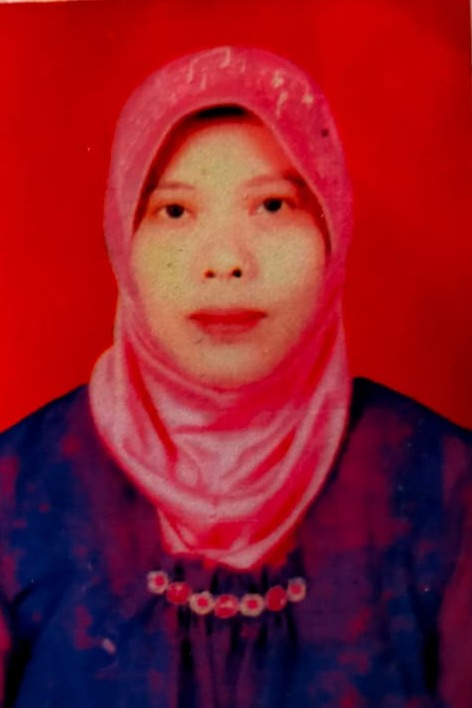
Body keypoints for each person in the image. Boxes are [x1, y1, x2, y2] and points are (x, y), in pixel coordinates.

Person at [0, 46, 470, 707]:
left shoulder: (444, 487)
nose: (225, 260)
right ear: (122, 242)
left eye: (273, 206)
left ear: (333, 229)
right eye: (175, 211)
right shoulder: (16, 490)